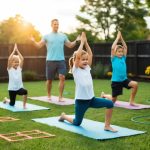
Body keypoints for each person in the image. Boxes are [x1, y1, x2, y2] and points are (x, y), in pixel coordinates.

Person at [59, 32, 117, 132]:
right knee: (77, 122)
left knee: (110, 104)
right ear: (77, 61)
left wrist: (85, 43)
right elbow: (77, 56)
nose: (86, 61)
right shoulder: (75, 69)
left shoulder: (87, 68)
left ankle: (107, 126)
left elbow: (90, 54)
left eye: (86, 60)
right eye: (83, 60)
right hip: (81, 102)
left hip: (91, 99)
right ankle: (64, 116)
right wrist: (81, 43)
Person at [30, 19, 80, 102]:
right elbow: (38, 46)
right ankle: (49, 95)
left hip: (61, 60)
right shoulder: (46, 36)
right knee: (49, 80)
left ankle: (60, 97)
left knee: (62, 77)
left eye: (57, 24)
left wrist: (76, 41)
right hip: (50, 61)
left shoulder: (63, 36)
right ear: (51, 25)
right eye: (55, 24)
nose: (56, 25)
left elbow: (70, 45)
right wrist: (33, 41)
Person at [101, 31, 138, 106]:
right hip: (116, 82)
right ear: (115, 52)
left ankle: (131, 101)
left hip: (124, 80)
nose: (121, 53)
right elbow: (112, 48)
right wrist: (117, 38)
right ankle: (104, 95)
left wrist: (121, 39)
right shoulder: (113, 59)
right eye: (119, 52)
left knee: (135, 84)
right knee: (113, 101)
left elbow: (125, 47)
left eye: (121, 52)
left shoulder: (123, 58)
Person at [3, 43, 28, 109]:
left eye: (17, 62)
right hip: (12, 89)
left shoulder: (19, 68)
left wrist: (17, 50)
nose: (16, 63)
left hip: (19, 88)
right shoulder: (9, 69)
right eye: (15, 62)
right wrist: (14, 51)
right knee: (12, 104)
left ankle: (24, 105)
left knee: (25, 91)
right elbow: (9, 59)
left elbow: (22, 59)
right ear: (11, 62)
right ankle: (6, 99)